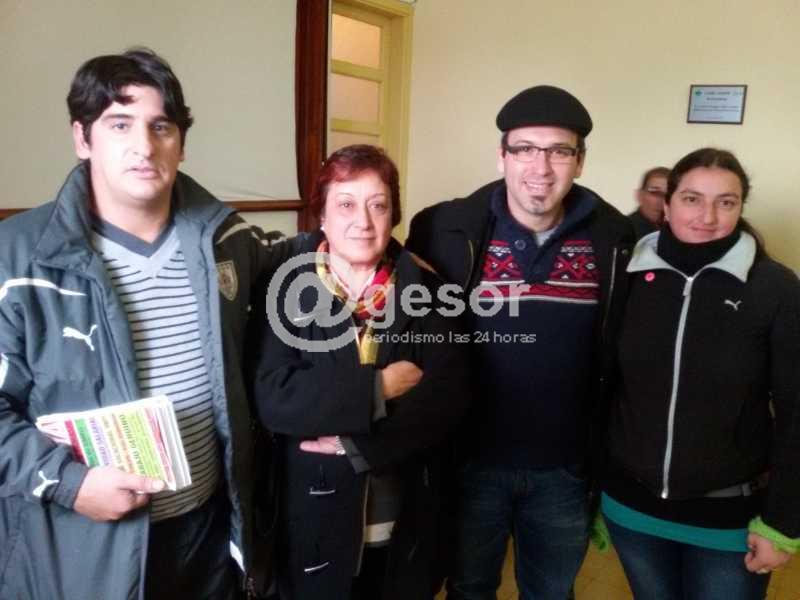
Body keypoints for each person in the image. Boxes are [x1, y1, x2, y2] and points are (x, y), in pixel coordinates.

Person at [0, 48, 297, 599]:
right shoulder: (16, 259)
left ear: (181, 143)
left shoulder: (227, 240)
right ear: (82, 138)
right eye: (120, 124)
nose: (144, 145)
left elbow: (301, 264)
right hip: (82, 546)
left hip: (209, 535)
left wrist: (395, 258)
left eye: (161, 126)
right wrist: (71, 483)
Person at [406, 85, 635, 599]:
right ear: (502, 155)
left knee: (551, 591)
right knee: (469, 588)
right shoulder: (445, 229)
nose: (541, 168)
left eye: (559, 151)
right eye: (526, 149)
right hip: (470, 462)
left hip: (565, 468)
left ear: (580, 161)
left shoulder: (616, 240)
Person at [252, 144, 469, 599]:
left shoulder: (429, 289)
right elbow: (276, 397)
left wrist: (356, 443)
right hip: (309, 517)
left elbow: (447, 397)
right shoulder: (284, 287)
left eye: (378, 205)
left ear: (394, 215)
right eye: (346, 205)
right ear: (322, 216)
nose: (363, 222)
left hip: (402, 516)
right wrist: (379, 387)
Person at [602, 148, 800, 599]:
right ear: (667, 204)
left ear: (740, 207)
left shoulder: (775, 288)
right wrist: (595, 486)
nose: (707, 217)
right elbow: (604, 386)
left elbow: (796, 411)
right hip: (632, 508)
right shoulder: (626, 275)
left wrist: (783, 521)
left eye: (726, 202)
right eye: (692, 199)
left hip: (729, 518)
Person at [629, 166, 669, 240]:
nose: (661, 200)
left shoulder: (677, 230)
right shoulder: (623, 230)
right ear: (640, 195)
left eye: (668, 195)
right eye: (655, 193)